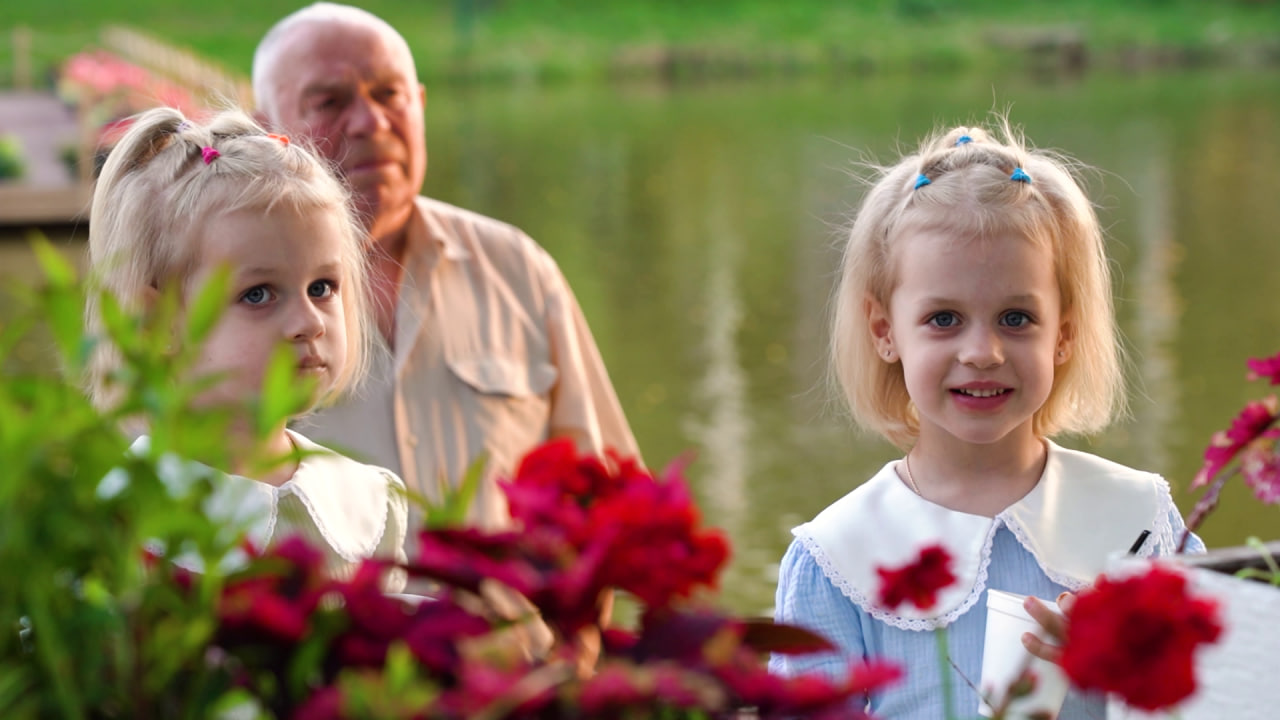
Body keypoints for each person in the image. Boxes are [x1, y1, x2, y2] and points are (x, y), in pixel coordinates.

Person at [768, 120, 1202, 717]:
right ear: (884, 331)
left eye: (1016, 319)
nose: (982, 352)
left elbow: (1227, 690)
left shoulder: (1139, 522)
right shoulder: (837, 558)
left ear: (1064, 334)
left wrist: (1123, 669)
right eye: (944, 319)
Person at [251, 3, 639, 534]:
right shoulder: (224, 298)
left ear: (421, 104)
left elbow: (609, 495)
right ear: (264, 129)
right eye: (330, 102)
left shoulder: (516, 268)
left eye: (390, 94)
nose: (371, 122)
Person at [86, 106, 408, 589]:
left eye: (322, 287)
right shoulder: (118, 524)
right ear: (157, 322)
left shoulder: (366, 502)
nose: (309, 322)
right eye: (258, 294)